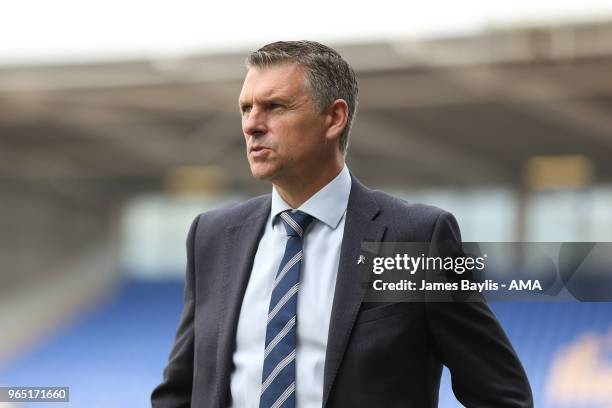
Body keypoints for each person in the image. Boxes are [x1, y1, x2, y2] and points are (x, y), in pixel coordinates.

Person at [151, 40, 533, 408]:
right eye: (246, 108)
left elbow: (502, 393)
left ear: (334, 118)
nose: (252, 125)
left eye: (275, 106)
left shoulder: (415, 238)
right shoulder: (213, 237)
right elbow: (178, 393)